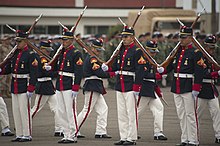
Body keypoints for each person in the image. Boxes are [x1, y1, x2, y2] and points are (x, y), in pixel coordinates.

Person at [165, 26, 204, 146]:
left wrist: (196, 87)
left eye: (184, 37)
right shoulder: (177, 51)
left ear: (191, 38)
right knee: (181, 114)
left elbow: (199, 71)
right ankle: (185, 139)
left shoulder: (196, 53)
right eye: (180, 37)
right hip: (177, 86)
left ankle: (193, 140)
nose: (181, 40)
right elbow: (170, 67)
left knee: (190, 114)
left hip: (188, 86)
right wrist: (162, 70)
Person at [46, 29, 83, 143]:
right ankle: (66, 134)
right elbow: (58, 69)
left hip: (69, 84)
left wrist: (76, 86)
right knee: (61, 110)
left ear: (71, 40)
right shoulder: (61, 52)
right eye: (63, 39)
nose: (63, 41)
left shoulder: (76, 53)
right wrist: (50, 68)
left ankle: (73, 134)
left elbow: (79, 71)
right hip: (60, 84)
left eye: (66, 40)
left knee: (70, 111)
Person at [110, 26, 145, 145]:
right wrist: (108, 69)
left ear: (132, 38)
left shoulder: (137, 51)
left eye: (126, 37)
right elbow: (115, 66)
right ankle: (123, 137)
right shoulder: (120, 50)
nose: (123, 39)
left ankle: (132, 137)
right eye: (122, 37)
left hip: (130, 85)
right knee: (121, 113)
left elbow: (140, 70)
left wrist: (137, 86)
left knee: (131, 113)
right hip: (120, 85)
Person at [0, 30, 38, 142]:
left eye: (19, 41)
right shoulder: (16, 54)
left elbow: (34, 73)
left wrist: (31, 88)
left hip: (24, 84)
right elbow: (11, 68)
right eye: (16, 41)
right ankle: (19, 134)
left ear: (25, 41)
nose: (17, 43)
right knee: (16, 110)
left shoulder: (31, 55)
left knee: (24, 111)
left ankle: (27, 134)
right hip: (15, 85)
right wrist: (2, 70)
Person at [76, 39, 117, 139]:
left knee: (103, 109)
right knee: (87, 110)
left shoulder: (93, 58)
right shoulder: (92, 59)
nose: (99, 52)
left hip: (96, 85)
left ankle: (100, 131)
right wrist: (111, 74)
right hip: (92, 84)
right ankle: (73, 129)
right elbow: (99, 73)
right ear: (92, 48)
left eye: (99, 50)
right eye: (97, 50)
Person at [31, 40, 63, 137]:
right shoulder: (40, 58)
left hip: (48, 85)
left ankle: (59, 129)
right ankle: (24, 124)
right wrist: (58, 72)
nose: (49, 52)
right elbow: (46, 72)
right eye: (47, 50)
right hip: (43, 85)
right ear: (42, 49)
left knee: (57, 108)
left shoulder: (44, 58)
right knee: (36, 108)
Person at [137, 40, 167, 141]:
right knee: (137, 112)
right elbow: (142, 74)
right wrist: (156, 75)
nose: (154, 54)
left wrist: (157, 89)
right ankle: (131, 131)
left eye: (155, 52)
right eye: (152, 51)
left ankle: (158, 132)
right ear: (146, 50)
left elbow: (152, 78)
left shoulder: (152, 61)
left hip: (150, 88)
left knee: (159, 108)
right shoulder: (141, 60)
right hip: (143, 88)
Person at [197, 35, 220, 144]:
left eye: (213, 48)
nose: (212, 50)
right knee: (197, 115)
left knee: (216, 112)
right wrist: (217, 73)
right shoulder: (200, 58)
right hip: (202, 88)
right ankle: (194, 135)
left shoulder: (212, 58)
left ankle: (218, 135)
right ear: (205, 47)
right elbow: (203, 74)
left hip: (211, 88)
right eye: (210, 48)